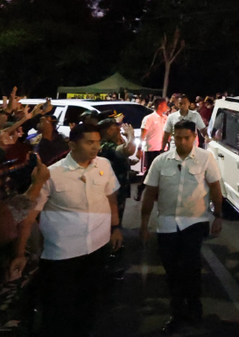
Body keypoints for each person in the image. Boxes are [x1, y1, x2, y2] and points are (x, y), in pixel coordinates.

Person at [10, 124, 123, 336]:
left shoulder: (104, 165)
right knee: (58, 311)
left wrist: (115, 227)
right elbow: (29, 217)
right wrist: (19, 253)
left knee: (89, 305)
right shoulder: (52, 174)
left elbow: (111, 198)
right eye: (89, 142)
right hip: (62, 255)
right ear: (72, 144)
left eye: (97, 142)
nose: (95, 147)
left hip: (97, 248)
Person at [140, 121, 223, 334]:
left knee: (191, 268)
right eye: (178, 137)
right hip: (167, 224)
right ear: (172, 137)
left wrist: (218, 216)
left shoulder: (206, 158)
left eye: (186, 137)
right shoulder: (161, 161)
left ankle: (195, 310)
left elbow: (215, 187)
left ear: (195, 137)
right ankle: (177, 313)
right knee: (172, 271)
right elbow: (150, 192)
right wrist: (144, 223)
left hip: (194, 222)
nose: (182, 142)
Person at [98, 118, 136, 222]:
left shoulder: (112, 144)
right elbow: (128, 150)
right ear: (109, 131)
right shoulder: (105, 146)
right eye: (117, 130)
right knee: (112, 219)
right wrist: (131, 135)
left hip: (118, 188)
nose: (120, 131)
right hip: (112, 191)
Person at [136, 98, 168, 201]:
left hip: (162, 149)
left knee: (161, 172)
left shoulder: (165, 118)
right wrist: (139, 149)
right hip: (151, 149)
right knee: (150, 171)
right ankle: (140, 188)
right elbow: (142, 135)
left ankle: (156, 194)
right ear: (159, 106)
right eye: (165, 104)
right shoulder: (149, 118)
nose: (167, 106)